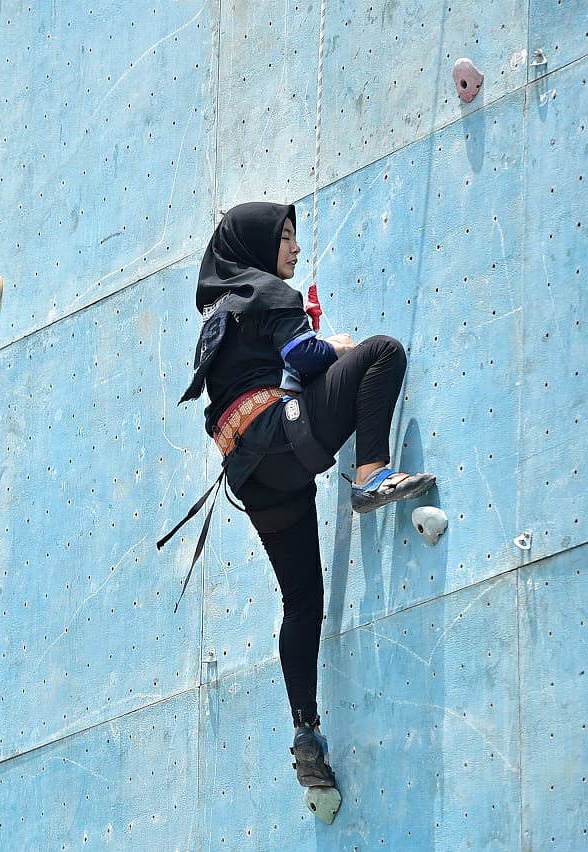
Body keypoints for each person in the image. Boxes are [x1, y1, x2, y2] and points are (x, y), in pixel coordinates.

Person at [175, 202, 436, 803]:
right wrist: (335, 345)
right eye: (286, 238)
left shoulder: (221, 310)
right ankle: (371, 475)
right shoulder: (269, 293)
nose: (294, 249)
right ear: (259, 246)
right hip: (283, 439)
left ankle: (306, 732)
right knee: (382, 353)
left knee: (303, 600)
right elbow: (302, 358)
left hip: (252, 475)